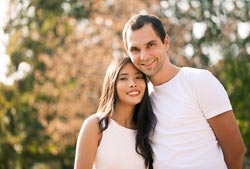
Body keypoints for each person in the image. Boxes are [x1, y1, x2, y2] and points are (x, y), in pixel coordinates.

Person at [122, 14, 246, 169]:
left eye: (150, 45)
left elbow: (236, 150)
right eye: (135, 49)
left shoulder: (199, 81)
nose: (144, 56)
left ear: (165, 42)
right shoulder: (139, 100)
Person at [74, 56, 157, 169]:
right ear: (112, 84)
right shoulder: (96, 125)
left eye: (138, 77)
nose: (133, 83)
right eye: (123, 78)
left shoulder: (148, 128)